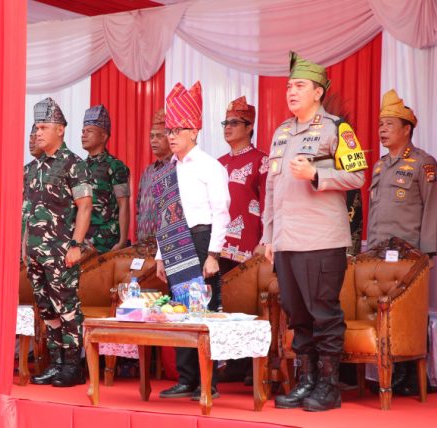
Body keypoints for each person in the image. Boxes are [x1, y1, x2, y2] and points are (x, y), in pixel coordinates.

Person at [261, 52, 367, 411]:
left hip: (322, 240)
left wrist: (317, 175)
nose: (291, 91)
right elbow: (272, 190)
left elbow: (357, 177)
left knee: (324, 314)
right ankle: (306, 381)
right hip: (287, 241)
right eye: (289, 86)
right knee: (297, 315)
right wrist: (268, 237)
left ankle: (329, 386)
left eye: (299, 86)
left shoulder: (337, 128)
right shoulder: (281, 132)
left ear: (318, 92)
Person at [154, 82, 231, 400]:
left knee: (203, 310)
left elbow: (222, 212)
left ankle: (207, 382)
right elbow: (166, 215)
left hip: (201, 242)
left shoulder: (210, 166)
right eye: (169, 130)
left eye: (178, 130)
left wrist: (213, 253)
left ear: (195, 132)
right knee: (179, 310)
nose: (171, 136)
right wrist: (160, 255)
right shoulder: (170, 169)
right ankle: (186, 378)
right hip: (174, 241)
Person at [367, 89, 437, 396]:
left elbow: (432, 208)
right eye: (380, 124)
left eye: (389, 124)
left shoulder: (424, 163)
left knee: (408, 312)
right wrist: (368, 249)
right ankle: (390, 370)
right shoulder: (380, 166)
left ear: (406, 129)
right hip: (378, 253)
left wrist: (427, 252)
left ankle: (411, 373)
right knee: (381, 311)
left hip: (409, 253)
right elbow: (373, 210)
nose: (382, 130)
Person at [23, 97, 92, 387]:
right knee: (46, 310)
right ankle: (56, 362)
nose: (38, 133)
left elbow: (85, 206)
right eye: (36, 128)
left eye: (43, 127)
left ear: (60, 130)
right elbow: (26, 213)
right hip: (35, 253)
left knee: (67, 308)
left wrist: (76, 245)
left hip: (62, 251)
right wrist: (23, 249)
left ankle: (74, 366)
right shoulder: (30, 168)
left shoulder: (73, 164)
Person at [217, 96, 268, 272]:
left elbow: (268, 205)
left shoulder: (262, 161)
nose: (228, 127)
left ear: (249, 127)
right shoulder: (218, 163)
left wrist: (264, 242)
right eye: (225, 123)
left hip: (248, 251)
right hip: (216, 250)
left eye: (234, 123)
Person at [81, 105, 130, 253]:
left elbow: (124, 204)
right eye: (83, 131)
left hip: (105, 243)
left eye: (89, 131)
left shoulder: (116, 166)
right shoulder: (79, 167)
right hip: (82, 242)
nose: (84, 135)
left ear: (103, 136)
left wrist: (122, 241)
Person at [136, 109, 171, 242]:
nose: (154, 140)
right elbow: (138, 208)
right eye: (151, 136)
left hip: (167, 245)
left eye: (159, 136)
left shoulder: (178, 168)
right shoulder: (148, 171)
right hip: (143, 245)